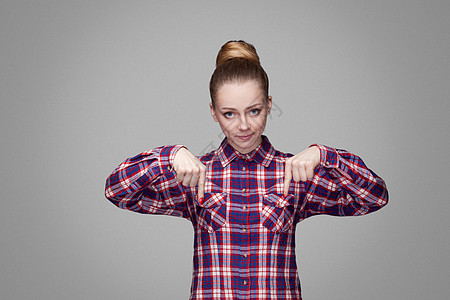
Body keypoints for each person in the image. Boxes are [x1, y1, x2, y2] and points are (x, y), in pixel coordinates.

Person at [105, 40, 388, 300]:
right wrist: (168, 156)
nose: (243, 126)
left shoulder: (295, 174)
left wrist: (325, 155)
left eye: (254, 111)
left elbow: (373, 197)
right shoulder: (194, 175)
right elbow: (116, 191)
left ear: (268, 106)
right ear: (213, 112)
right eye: (229, 113)